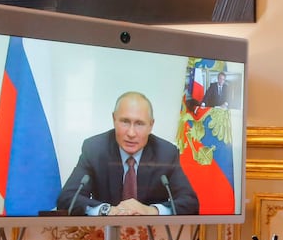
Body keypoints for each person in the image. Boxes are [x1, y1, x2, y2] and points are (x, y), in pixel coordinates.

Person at [57, 91, 198, 216]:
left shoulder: (166, 153)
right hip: (104, 232)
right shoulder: (95, 149)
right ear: (114, 119)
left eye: (139, 124)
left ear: (151, 125)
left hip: (151, 233)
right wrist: (107, 210)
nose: (131, 133)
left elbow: (190, 203)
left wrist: (151, 211)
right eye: (125, 121)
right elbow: (67, 199)